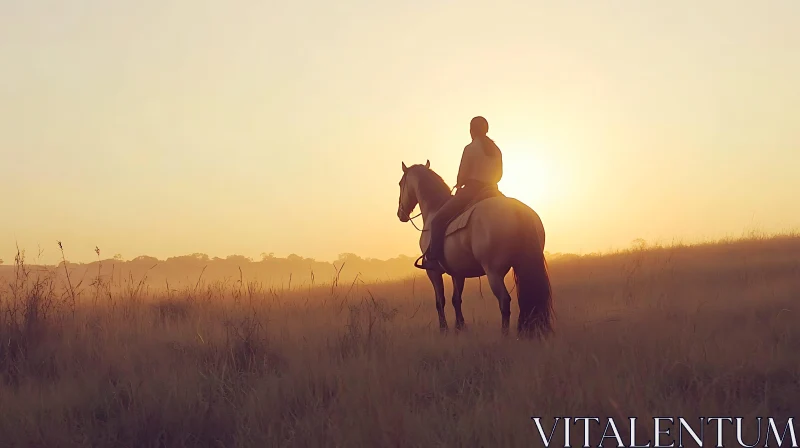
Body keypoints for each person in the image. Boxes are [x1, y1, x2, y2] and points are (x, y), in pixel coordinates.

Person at [417, 116, 504, 270]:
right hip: (493, 191)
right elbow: (500, 175)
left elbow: (462, 175)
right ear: (486, 130)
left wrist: (460, 182)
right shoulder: (496, 150)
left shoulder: (470, 148)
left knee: (437, 221)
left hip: (472, 191)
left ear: (472, 130)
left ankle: (434, 260)